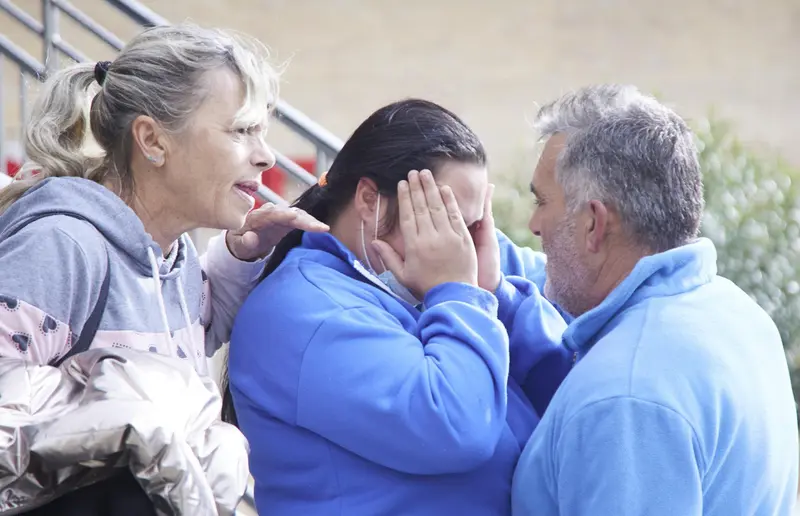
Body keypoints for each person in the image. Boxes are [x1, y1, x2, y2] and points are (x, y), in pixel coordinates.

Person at [0, 23, 326, 514]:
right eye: (242, 131)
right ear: (152, 140)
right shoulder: (62, 245)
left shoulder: (171, 255)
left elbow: (168, 341)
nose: (265, 155)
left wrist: (240, 257)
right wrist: (129, 423)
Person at [226, 99, 573, 515]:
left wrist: (496, 292)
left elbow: (574, 353)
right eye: (441, 221)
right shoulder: (302, 312)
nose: (459, 244)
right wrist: (460, 294)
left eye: (471, 226)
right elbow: (457, 428)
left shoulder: (437, 271)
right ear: (370, 199)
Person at [511, 84, 799, 515]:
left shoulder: (624, 399)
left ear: (594, 223)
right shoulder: (736, 312)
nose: (534, 225)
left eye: (542, 201)